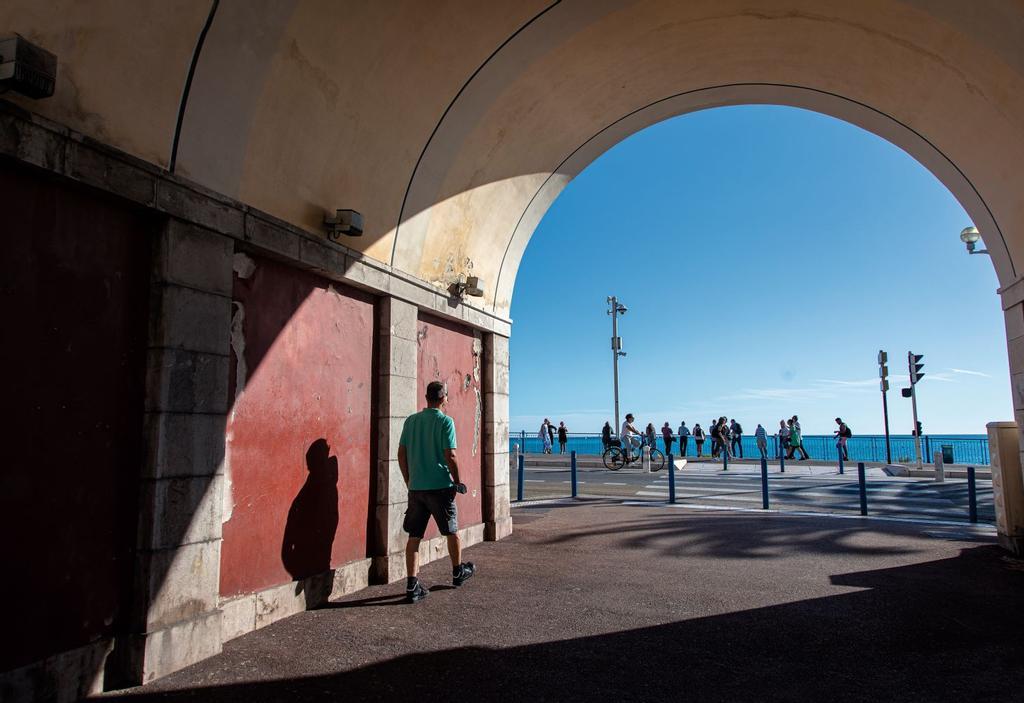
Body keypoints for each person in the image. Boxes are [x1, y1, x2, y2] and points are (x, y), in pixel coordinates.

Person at [398, 381, 475, 603]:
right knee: (451, 531)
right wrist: (458, 481)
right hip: (440, 487)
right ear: (444, 399)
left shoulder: (411, 421)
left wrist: (409, 479)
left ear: (426, 397)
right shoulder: (445, 421)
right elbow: (450, 455)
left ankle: (412, 586)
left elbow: (401, 453)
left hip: (416, 488)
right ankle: (458, 572)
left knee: (414, 536)